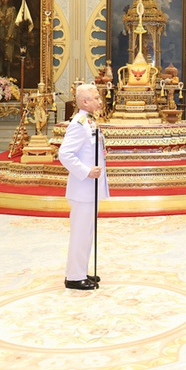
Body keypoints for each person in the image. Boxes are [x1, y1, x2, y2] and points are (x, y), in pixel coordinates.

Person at [58, 83, 110, 291]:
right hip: (82, 189)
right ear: (85, 102)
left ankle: (81, 271)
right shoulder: (79, 124)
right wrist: (87, 171)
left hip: (90, 189)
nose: (99, 100)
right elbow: (64, 154)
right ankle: (74, 277)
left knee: (87, 232)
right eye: (95, 98)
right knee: (80, 233)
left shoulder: (89, 121)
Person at [0, 0, 18, 77]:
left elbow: (13, 23)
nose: (4, 0)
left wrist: (9, 35)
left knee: (8, 53)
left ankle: (8, 72)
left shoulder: (12, 10)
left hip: (7, 34)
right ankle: (0, 69)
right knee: (0, 52)